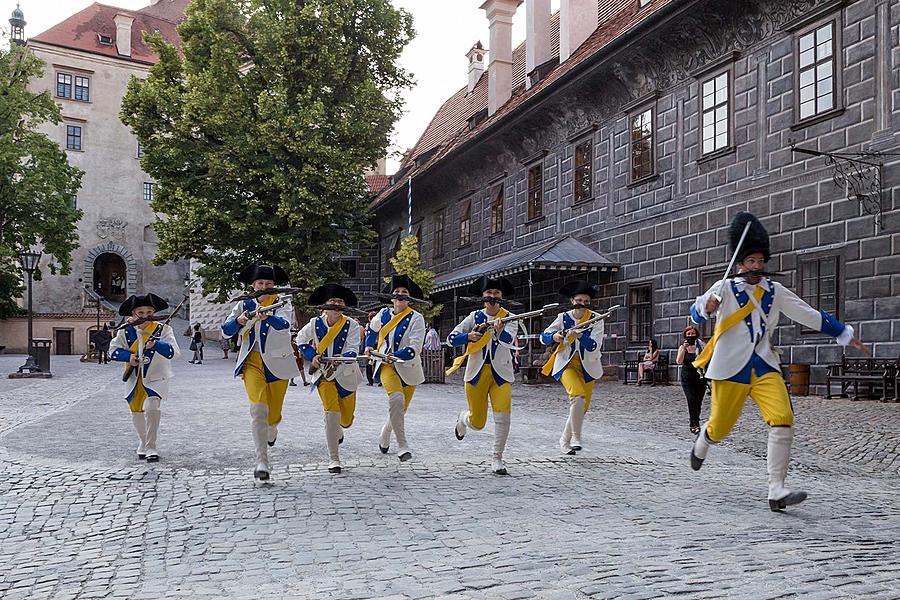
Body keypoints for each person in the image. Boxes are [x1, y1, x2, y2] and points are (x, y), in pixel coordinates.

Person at [689, 212, 868, 511]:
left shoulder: (775, 291)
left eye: (761, 261)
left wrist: (844, 334)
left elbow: (806, 312)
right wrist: (705, 308)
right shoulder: (724, 289)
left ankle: (776, 489)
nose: (757, 267)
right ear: (740, 264)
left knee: (783, 417)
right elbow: (697, 313)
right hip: (729, 368)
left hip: (763, 365)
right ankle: (704, 441)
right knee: (720, 428)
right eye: (751, 261)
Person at [221, 264, 300, 481]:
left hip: (277, 363)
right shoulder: (244, 303)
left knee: (272, 415)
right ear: (253, 285)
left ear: (274, 286)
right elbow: (226, 330)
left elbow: (284, 324)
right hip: (252, 362)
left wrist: (267, 317)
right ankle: (261, 461)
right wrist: (239, 320)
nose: (264, 287)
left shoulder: (282, 302)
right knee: (258, 410)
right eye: (260, 284)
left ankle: (273, 427)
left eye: (268, 284)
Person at [448, 275, 518, 475]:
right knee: (478, 423)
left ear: (501, 296)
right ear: (483, 296)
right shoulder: (474, 317)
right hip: (476, 373)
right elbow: (451, 338)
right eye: (489, 293)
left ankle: (498, 458)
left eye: (496, 293)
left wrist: (498, 331)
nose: (493, 296)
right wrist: (468, 336)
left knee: (503, 417)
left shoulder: (510, 318)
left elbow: (507, 342)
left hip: (501, 374)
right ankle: (463, 419)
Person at [296, 283, 362, 474]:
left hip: (346, 374)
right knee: (331, 412)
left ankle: (339, 429)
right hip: (323, 375)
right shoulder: (314, 324)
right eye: (332, 301)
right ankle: (334, 458)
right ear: (324, 306)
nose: (336, 304)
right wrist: (311, 354)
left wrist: (344, 358)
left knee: (346, 419)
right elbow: (300, 339)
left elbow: (352, 348)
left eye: (339, 301)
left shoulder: (351, 324)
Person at [109, 294, 179, 462]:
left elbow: (174, 352)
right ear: (133, 314)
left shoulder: (163, 330)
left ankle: (151, 446)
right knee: (137, 412)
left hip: (156, 375)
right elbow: (113, 351)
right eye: (140, 312)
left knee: (152, 408)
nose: (145, 315)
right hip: (134, 376)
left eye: (149, 311)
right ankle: (143, 441)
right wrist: (129, 357)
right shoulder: (126, 331)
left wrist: (157, 344)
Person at [540, 280, 606, 456]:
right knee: (577, 396)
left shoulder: (596, 319)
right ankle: (577, 438)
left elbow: (594, 346)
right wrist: (554, 336)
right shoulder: (563, 318)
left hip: (588, 366)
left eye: (585, 301)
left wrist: (580, 335)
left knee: (581, 407)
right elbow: (543, 336)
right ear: (572, 301)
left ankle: (564, 440)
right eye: (579, 300)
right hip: (566, 364)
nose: (582, 304)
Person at [364, 274, 426, 462]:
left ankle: (385, 432)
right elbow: (372, 329)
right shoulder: (383, 314)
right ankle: (402, 445)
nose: (400, 295)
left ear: (409, 298)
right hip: (385, 365)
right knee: (396, 399)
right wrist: (368, 345)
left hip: (408, 366)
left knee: (400, 408)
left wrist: (397, 356)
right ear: (391, 297)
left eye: (404, 292)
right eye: (397, 292)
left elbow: (415, 347)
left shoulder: (417, 318)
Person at [676, 325, 706, 435]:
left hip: (700, 377)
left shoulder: (702, 345)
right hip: (687, 378)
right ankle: (694, 424)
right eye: (688, 334)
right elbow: (679, 361)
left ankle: (695, 421)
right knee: (691, 399)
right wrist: (684, 348)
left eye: (692, 334)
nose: (690, 336)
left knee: (698, 402)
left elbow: (708, 358)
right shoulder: (682, 347)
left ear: (696, 334)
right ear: (685, 335)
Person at [364, 311, 377, 386]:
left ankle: (370, 381)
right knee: (378, 363)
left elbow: (367, 336)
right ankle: (379, 380)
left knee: (369, 364)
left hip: (370, 346)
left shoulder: (369, 325)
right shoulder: (382, 324)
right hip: (378, 345)